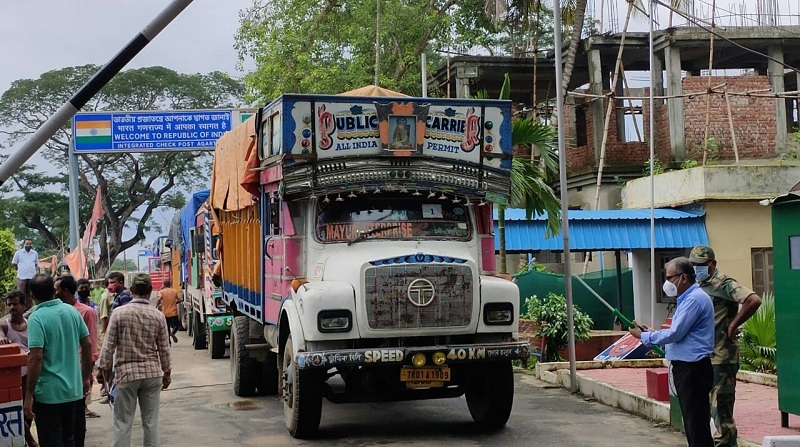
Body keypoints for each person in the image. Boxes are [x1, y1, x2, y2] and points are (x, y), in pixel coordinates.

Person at [629, 257, 715, 447]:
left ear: (683, 278)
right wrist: (653, 333)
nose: (666, 283)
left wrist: (644, 337)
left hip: (693, 369)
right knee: (693, 423)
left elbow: (676, 333)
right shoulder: (687, 299)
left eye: (669, 278)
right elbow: (680, 334)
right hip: (688, 368)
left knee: (696, 425)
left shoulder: (693, 299)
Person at [689, 245, 763, 447]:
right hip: (703, 355)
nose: (696, 268)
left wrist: (734, 324)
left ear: (712, 264)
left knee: (721, 412)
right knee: (704, 410)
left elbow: (753, 299)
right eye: (693, 264)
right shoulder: (698, 285)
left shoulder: (723, 283)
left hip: (722, 357)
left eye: (701, 264)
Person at [98, 273, 172, 447]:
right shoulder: (158, 316)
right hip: (152, 375)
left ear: (131, 290)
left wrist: (102, 369)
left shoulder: (118, 314)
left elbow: (108, 345)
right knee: (151, 423)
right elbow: (164, 348)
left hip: (126, 375)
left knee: (123, 423)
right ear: (150, 290)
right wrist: (167, 373)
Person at [24, 274, 93, 447]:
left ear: (32, 295)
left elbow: (36, 357)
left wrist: (29, 394)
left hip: (48, 394)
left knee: (51, 441)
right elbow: (87, 344)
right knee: (68, 439)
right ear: (54, 291)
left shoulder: (36, 318)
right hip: (73, 391)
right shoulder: (72, 311)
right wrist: (85, 377)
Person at [57, 276, 101, 424]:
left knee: (80, 395)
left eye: (57, 289)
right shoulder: (58, 311)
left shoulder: (86, 311)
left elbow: (91, 340)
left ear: (65, 291)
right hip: (64, 360)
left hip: (81, 359)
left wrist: (89, 364)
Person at [0, 291, 38, 447]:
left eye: (15, 304)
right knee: (18, 410)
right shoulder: (4, 325)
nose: (12, 307)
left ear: (24, 305)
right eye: (9, 304)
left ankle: (25, 439)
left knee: (29, 410)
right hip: (14, 378)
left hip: (31, 375)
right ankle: (31, 441)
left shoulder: (31, 325)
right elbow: (0, 334)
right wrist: (3, 339)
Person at [11, 238, 38, 306]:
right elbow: (14, 263)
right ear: (24, 244)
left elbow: (36, 264)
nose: (28, 245)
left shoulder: (35, 253)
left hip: (31, 277)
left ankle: (29, 308)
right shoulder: (18, 253)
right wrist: (19, 269)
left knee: (30, 294)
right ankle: (20, 308)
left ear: (32, 245)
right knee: (20, 294)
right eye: (27, 244)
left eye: (30, 244)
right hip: (21, 277)